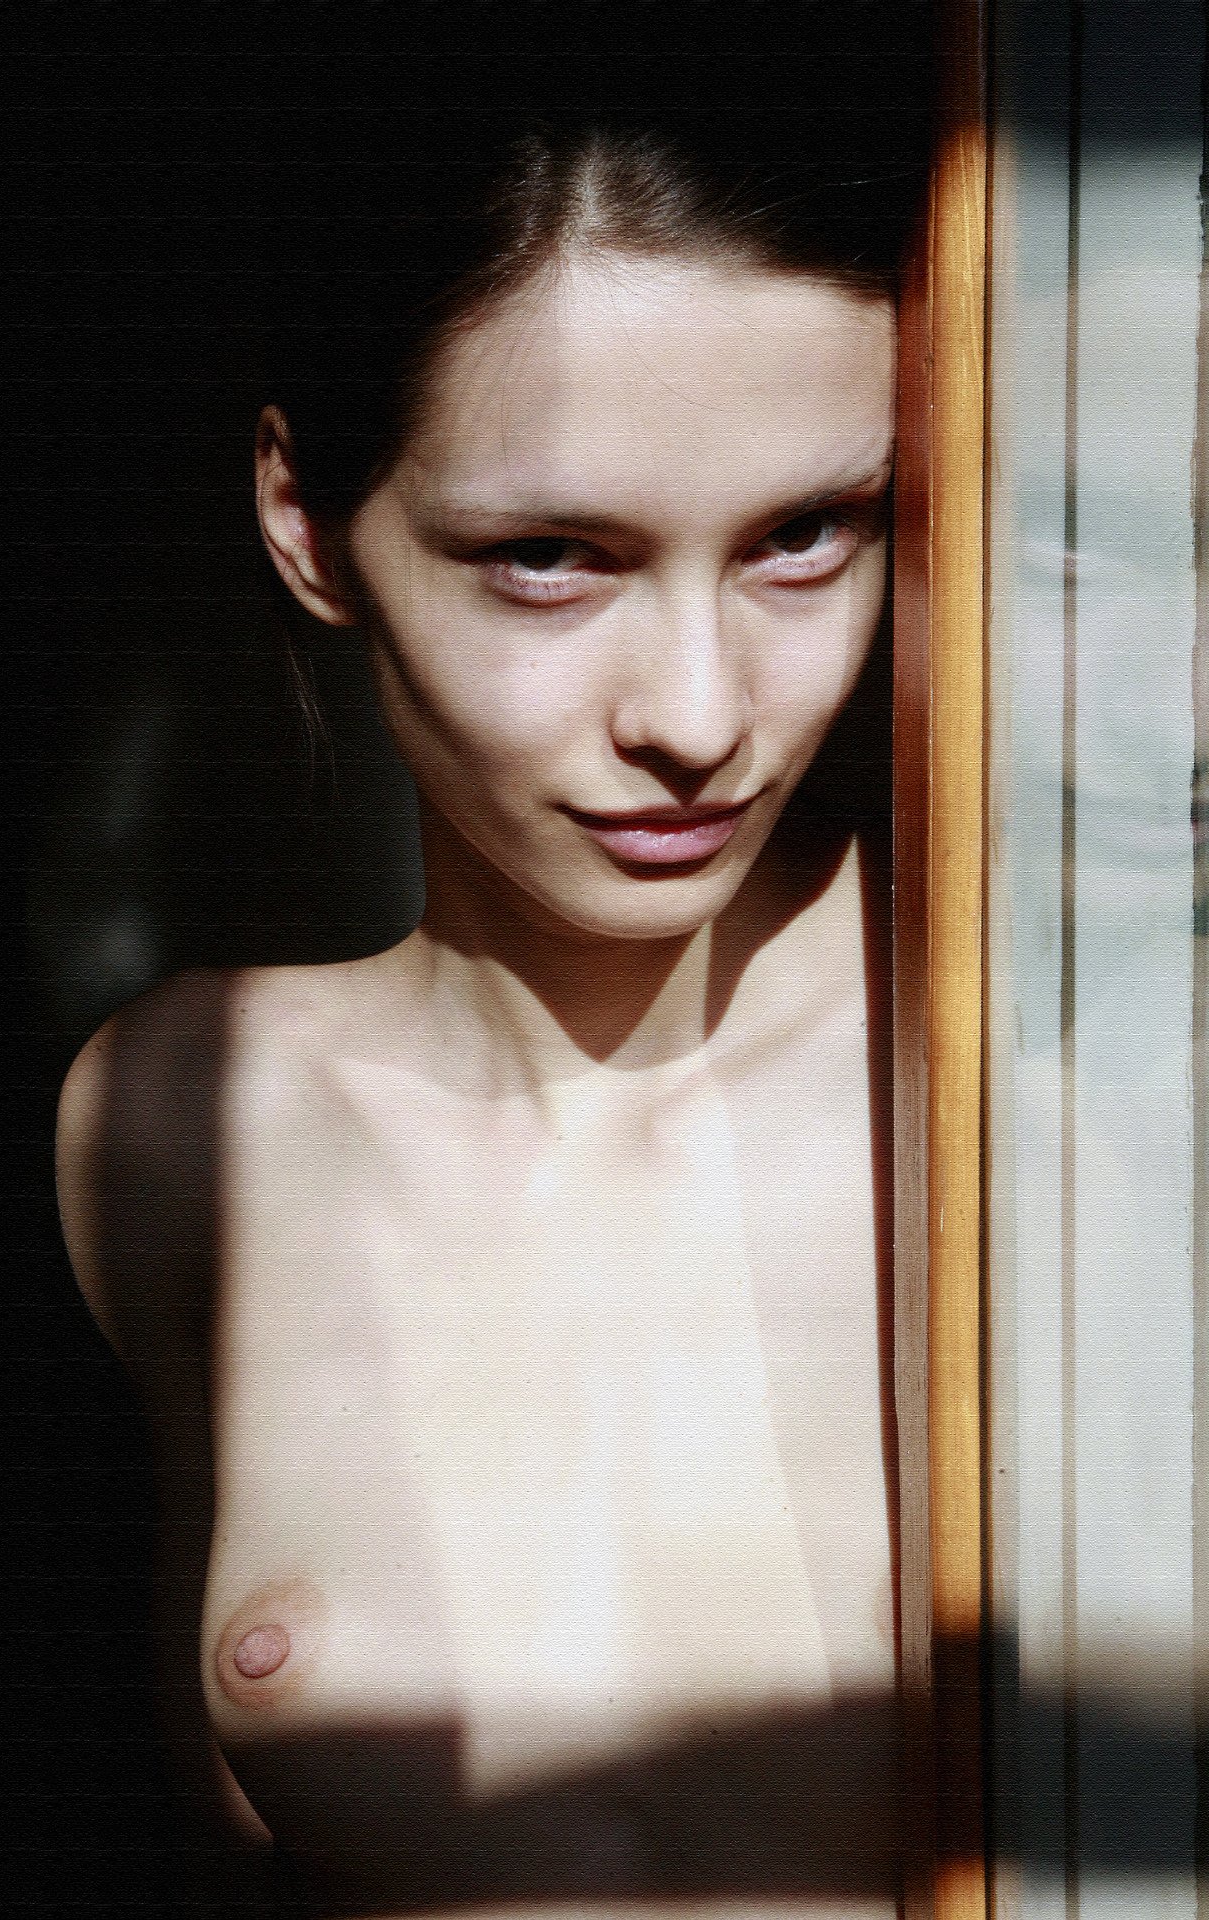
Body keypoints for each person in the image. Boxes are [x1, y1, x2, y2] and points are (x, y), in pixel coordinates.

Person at [55, 85, 925, 1920]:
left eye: (805, 533)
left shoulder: (1054, 1080)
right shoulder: (177, 1116)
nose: (698, 714)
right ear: (305, 517)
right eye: (550, 556)